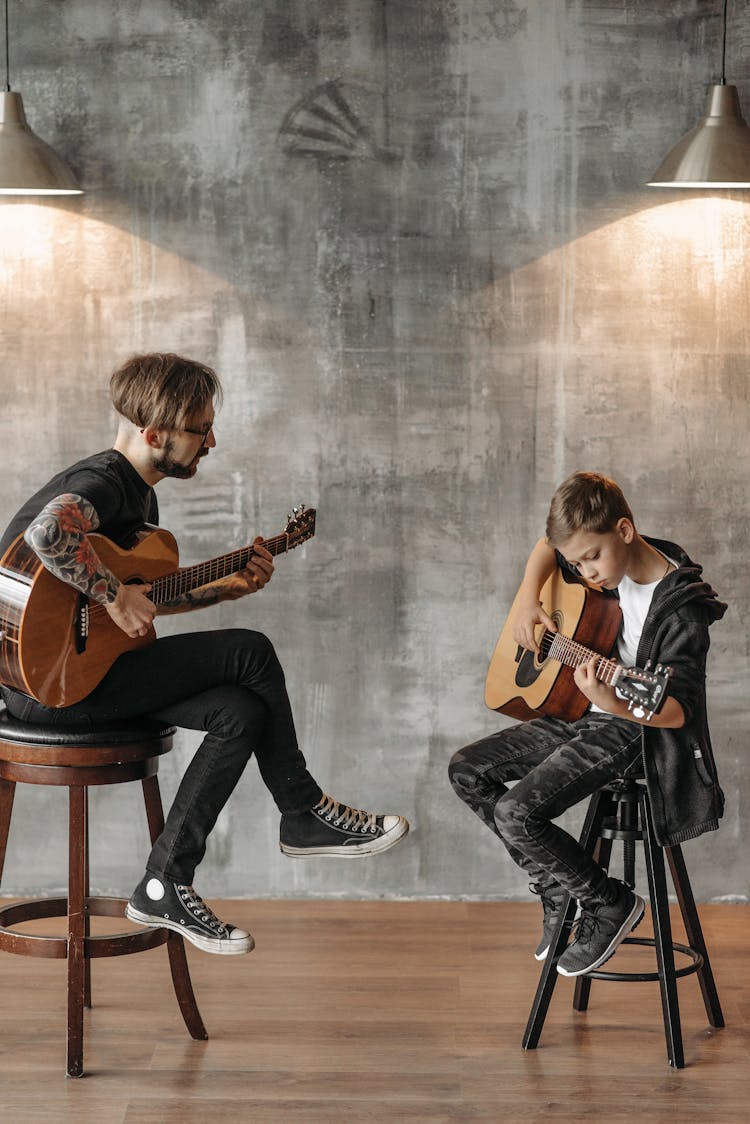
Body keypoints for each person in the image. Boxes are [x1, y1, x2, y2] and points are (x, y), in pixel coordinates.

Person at [0, 353, 409, 957]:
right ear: (155, 433)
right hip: (46, 692)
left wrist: (224, 588)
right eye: (200, 429)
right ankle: (300, 810)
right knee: (252, 651)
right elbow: (47, 536)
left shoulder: (140, 501)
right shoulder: (103, 484)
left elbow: (139, 609)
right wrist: (112, 595)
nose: (211, 441)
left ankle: (165, 881)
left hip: (76, 674)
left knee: (240, 711)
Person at [448, 471, 725, 977]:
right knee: (467, 769)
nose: (584, 572)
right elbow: (547, 545)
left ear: (624, 530)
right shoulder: (597, 565)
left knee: (515, 814)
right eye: (575, 563)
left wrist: (613, 700)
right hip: (579, 714)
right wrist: (530, 597)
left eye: (590, 558)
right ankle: (558, 887)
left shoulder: (683, 608)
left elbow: (678, 710)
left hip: (633, 730)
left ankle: (609, 903)